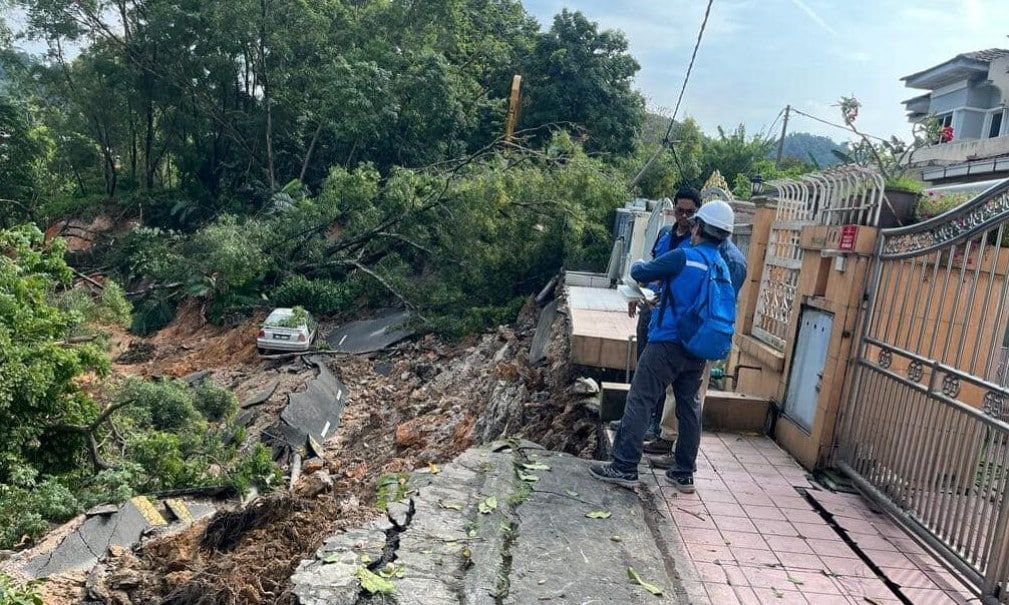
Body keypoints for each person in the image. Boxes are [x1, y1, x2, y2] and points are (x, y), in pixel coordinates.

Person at [590, 200, 736, 493]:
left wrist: (639, 265)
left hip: (667, 342)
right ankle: (683, 473)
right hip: (697, 348)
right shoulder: (722, 266)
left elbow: (641, 273)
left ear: (700, 227)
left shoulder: (684, 257)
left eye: (695, 222)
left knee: (641, 399)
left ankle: (624, 466)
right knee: (689, 407)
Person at [643, 233, 747, 466]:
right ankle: (671, 445)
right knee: (682, 395)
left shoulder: (725, 258)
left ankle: (676, 451)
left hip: (697, 332)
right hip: (698, 333)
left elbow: (717, 298)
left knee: (690, 399)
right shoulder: (729, 257)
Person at [629, 187, 702, 440]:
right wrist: (636, 295)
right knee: (642, 368)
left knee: (663, 379)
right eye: (679, 211)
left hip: (672, 318)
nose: (682, 217)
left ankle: (653, 424)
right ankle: (639, 422)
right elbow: (649, 270)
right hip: (649, 310)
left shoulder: (693, 247)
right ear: (673, 210)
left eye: (688, 213)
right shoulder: (663, 235)